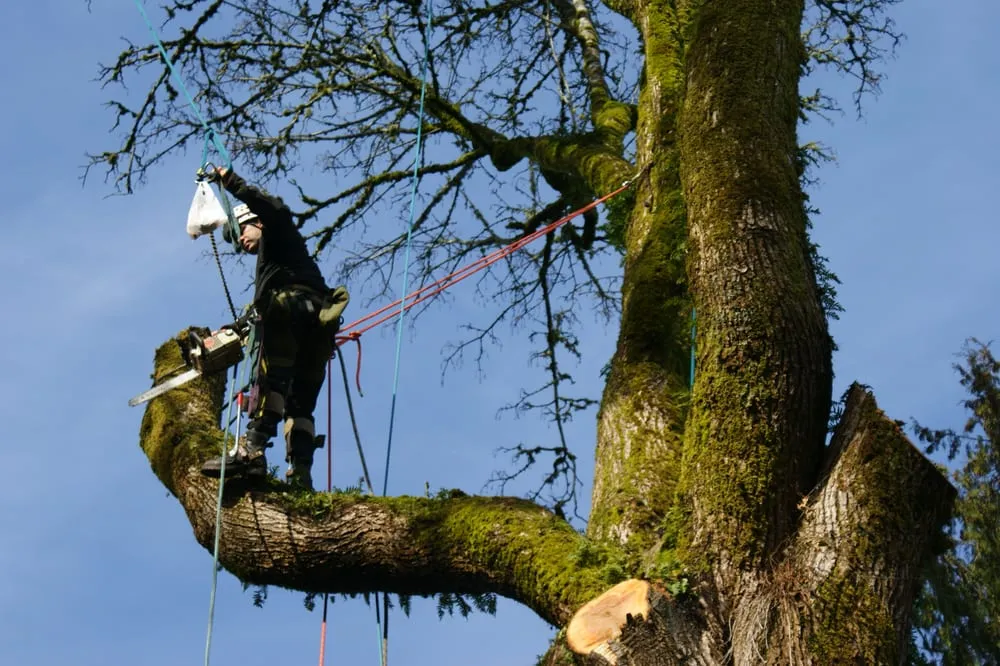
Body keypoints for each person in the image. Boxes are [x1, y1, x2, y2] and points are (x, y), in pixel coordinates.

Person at [199, 166, 348, 490]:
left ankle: (252, 450)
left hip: (290, 311)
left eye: (243, 230)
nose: (241, 238)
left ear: (258, 221)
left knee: (271, 379)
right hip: (317, 327)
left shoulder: (277, 230)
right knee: (300, 403)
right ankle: (301, 474)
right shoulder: (280, 258)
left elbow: (275, 208)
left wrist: (231, 182)